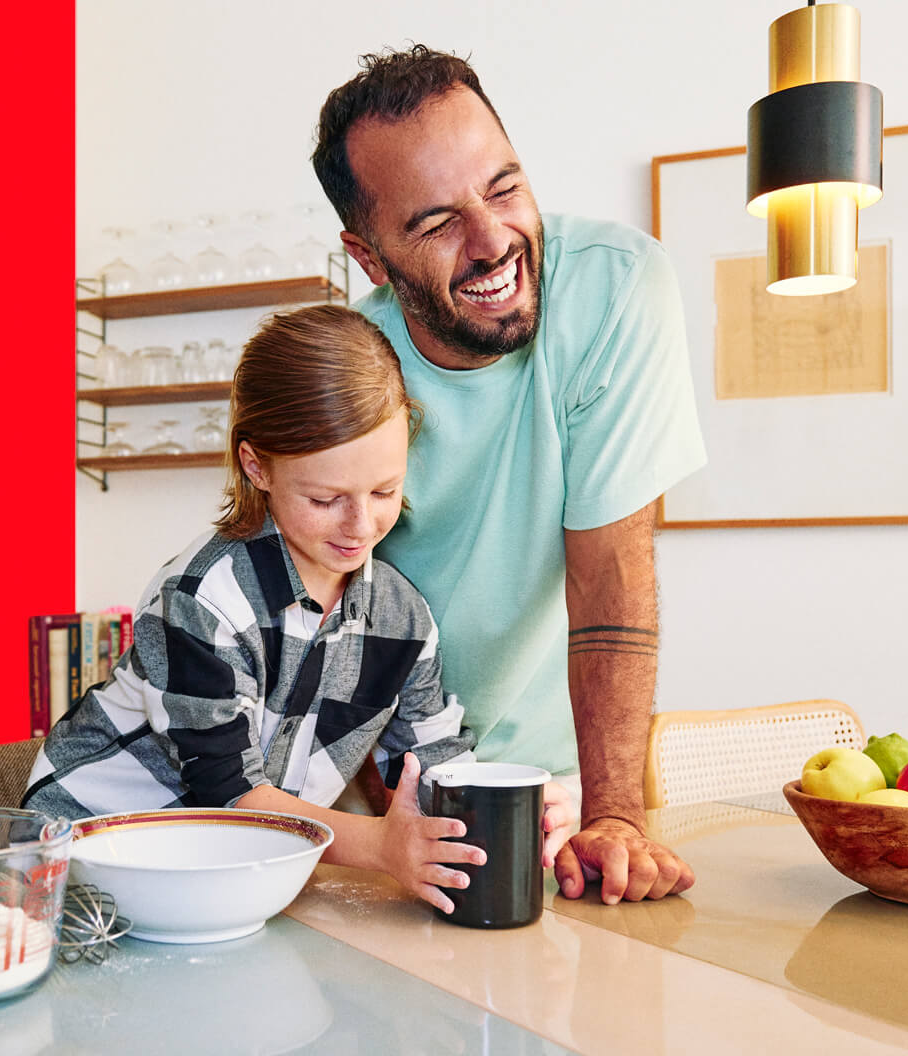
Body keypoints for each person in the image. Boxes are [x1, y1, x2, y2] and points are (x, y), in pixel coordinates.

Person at [312, 45, 708, 904]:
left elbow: (609, 569)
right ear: (370, 257)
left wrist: (616, 817)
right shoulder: (347, 366)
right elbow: (328, 617)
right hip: (374, 806)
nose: (493, 243)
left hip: (559, 793)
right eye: (435, 222)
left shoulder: (615, 289)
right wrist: (405, 817)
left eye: (503, 189)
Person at [23, 305, 572, 913]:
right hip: (85, 860)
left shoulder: (401, 619)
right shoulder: (200, 598)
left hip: (232, 876)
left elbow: (430, 765)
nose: (362, 526)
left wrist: (516, 809)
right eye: (326, 498)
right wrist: (381, 846)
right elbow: (226, 798)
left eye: (385, 491)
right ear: (256, 465)